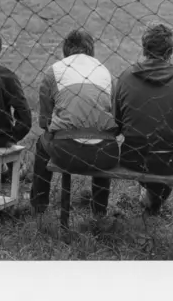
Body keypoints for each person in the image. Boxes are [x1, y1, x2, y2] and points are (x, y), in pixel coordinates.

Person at [30, 29, 119, 222]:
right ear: (91, 50)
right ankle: (99, 211)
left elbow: (44, 122)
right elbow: (115, 119)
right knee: (104, 135)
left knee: (41, 144)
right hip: (104, 153)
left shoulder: (54, 71)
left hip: (65, 151)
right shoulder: (105, 72)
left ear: (65, 50)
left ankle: (39, 205)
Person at [112, 24, 173, 214]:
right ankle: (153, 200)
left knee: (148, 151)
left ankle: (150, 198)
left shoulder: (126, 77)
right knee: (168, 151)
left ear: (143, 48)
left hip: (133, 157)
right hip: (171, 160)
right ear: (171, 51)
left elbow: (117, 124)